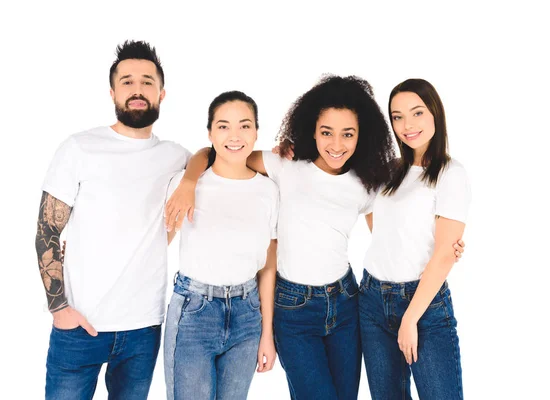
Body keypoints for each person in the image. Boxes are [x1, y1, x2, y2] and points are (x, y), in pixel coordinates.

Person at [166, 75, 464, 399]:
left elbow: (391, 231)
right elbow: (221, 154)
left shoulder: (366, 181)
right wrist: (189, 180)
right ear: (312, 129)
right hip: (294, 310)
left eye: (347, 134)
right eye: (326, 133)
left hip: (347, 304)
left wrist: (446, 247)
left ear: (361, 135)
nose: (337, 145)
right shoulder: (286, 164)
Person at [35, 40, 190, 400]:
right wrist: (59, 308)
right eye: (128, 81)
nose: (138, 90)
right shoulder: (79, 147)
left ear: (162, 93)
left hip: (144, 327)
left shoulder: (173, 155)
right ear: (112, 92)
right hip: (79, 326)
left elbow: (218, 157)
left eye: (147, 82)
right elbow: (47, 231)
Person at [359, 78, 471, 400]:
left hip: (423, 304)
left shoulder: (451, 173)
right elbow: (380, 226)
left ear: (435, 113)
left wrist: (410, 318)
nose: (407, 125)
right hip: (372, 300)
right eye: (397, 116)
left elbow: (445, 255)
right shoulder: (389, 170)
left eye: (417, 113)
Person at [162, 91, 279, 399]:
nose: (234, 135)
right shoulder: (186, 184)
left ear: (256, 132)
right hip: (194, 311)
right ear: (210, 133)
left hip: (247, 313)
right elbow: (158, 243)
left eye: (244, 126)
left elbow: (268, 268)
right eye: (224, 126)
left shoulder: (269, 191)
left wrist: (267, 333)